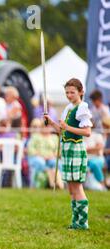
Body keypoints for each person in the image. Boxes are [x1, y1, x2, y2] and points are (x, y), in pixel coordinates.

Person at [44, 78, 92, 230]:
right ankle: (75, 221)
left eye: (72, 92)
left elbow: (87, 132)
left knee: (77, 187)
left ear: (81, 92)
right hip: (67, 149)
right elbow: (62, 130)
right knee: (71, 188)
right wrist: (52, 122)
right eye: (67, 93)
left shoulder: (82, 108)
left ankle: (82, 222)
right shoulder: (69, 108)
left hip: (76, 149)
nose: (69, 95)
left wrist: (67, 127)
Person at [27, 118, 62, 189]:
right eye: (45, 126)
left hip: (51, 158)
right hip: (37, 157)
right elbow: (30, 149)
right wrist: (40, 155)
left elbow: (59, 151)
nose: (47, 128)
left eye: (48, 126)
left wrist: (52, 155)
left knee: (57, 163)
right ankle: (49, 180)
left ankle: (59, 183)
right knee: (40, 162)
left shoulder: (55, 137)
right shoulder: (35, 136)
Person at [84, 123, 106, 191]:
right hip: (85, 159)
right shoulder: (81, 137)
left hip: (98, 158)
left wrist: (88, 150)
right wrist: (93, 149)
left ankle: (102, 184)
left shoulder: (97, 135)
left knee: (94, 164)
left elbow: (99, 148)